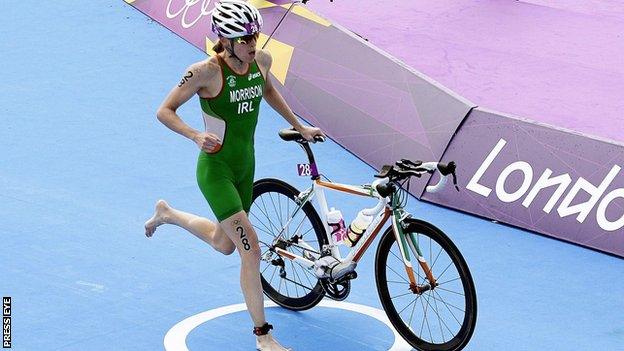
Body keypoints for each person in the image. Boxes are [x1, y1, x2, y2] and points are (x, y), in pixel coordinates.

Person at [144, 1, 324, 350]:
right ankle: (263, 337)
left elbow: (268, 90)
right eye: (244, 38)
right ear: (225, 39)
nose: (252, 43)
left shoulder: (262, 61)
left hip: (246, 168)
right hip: (216, 171)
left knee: (223, 243)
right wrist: (195, 135)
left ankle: (167, 213)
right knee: (251, 251)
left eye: (254, 34)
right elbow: (164, 111)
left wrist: (299, 126)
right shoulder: (204, 72)